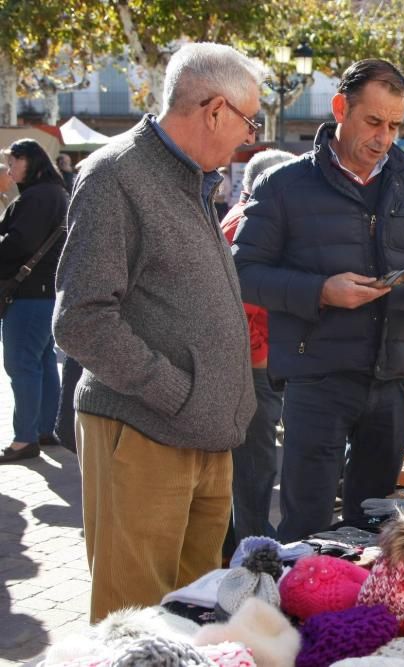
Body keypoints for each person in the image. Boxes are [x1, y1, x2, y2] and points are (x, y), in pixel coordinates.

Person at [53, 43, 261, 621]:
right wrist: (178, 393)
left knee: (193, 616)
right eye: (249, 121)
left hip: (203, 435)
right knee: (135, 619)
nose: (249, 136)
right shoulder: (116, 175)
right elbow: (80, 320)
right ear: (216, 109)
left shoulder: (193, 179)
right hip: (146, 431)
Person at [233, 59, 404, 540]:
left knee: (375, 526)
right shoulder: (284, 186)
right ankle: (296, 611)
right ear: (341, 108)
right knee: (307, 527)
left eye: (395, 125)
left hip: (394, 379)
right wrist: (321, 291)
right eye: (373, 122)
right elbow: (242, 272)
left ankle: (361, 616)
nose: (384, 138)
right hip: (317, 380)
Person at [219, 148, 296, 553]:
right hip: (253, 365)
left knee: (256, 462)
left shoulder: (247, 215)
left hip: (259, 361)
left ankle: (245, 539)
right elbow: (240, 302)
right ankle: (249, 549)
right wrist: (261, 358)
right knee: (254, 464)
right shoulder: (246, 221)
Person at [0, 140, 68, 463]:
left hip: (29, 293)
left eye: (13, 161)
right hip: (47, 292)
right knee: (41, 361)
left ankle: (24, 439)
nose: (10, 168)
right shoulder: (55, 193)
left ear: (31, 161)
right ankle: (43, 429)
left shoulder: (37, 197)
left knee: (21, 363)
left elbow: (19, 243)